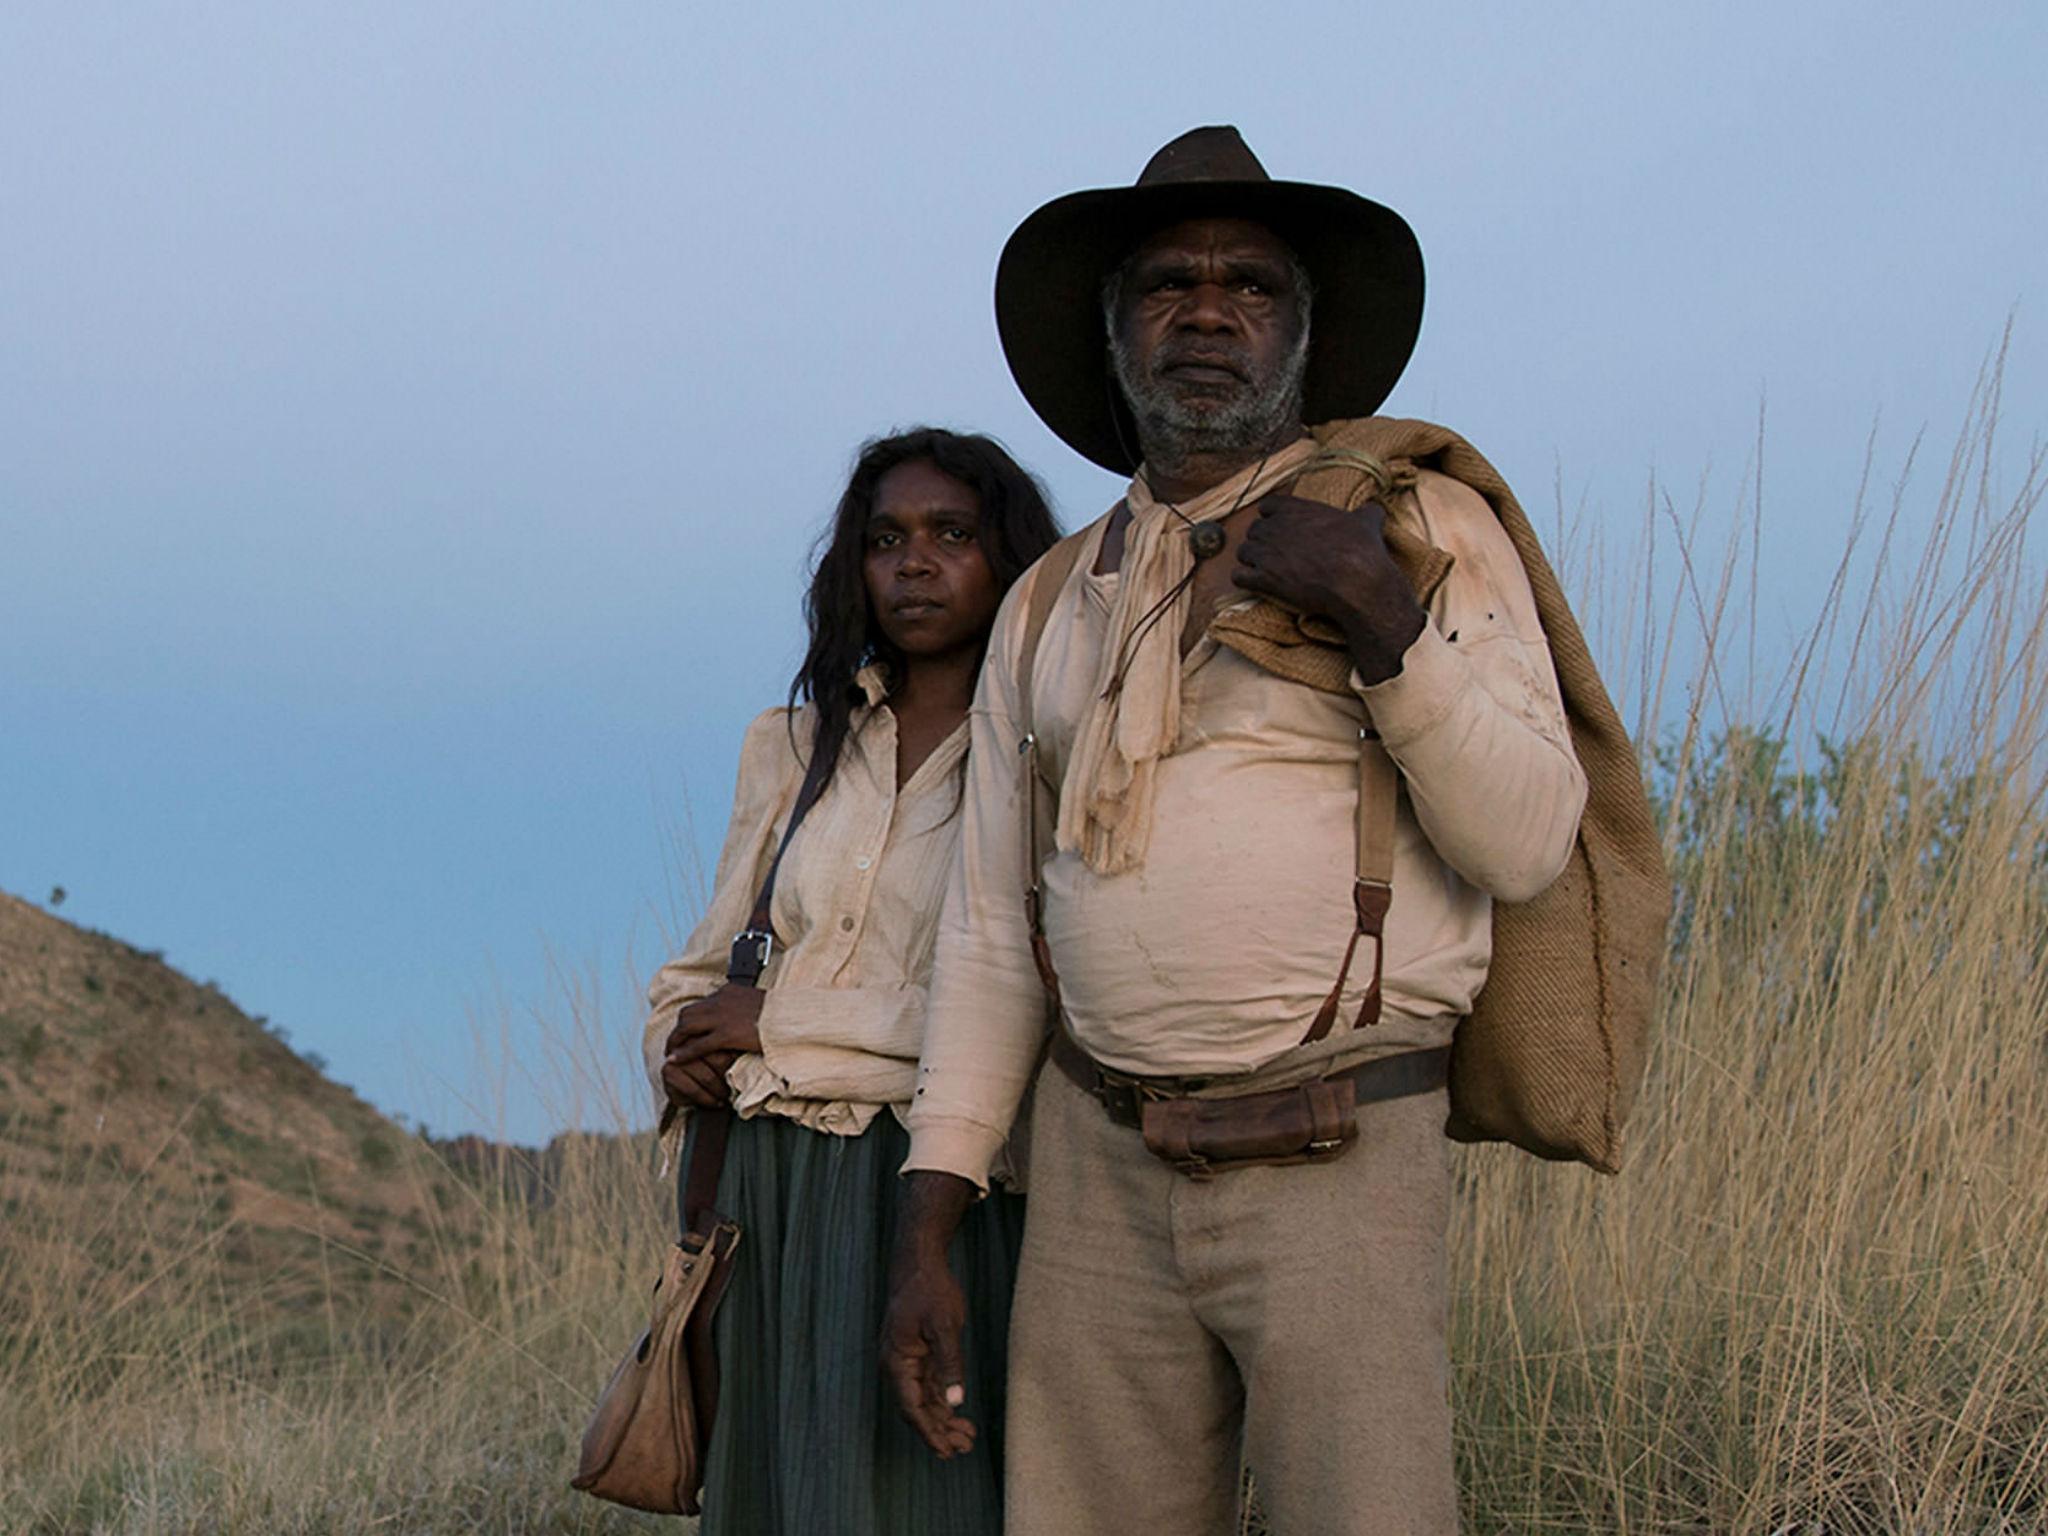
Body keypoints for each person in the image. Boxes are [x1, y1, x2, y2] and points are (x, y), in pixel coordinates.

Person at [881, 128, 1598, 1534]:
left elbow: (1527, 846)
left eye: (1251, 286)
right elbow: (987, 932)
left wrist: (1386, 619)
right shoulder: (1046, 598)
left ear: (1304, 331)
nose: (1207, 312)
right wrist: (932, 1219)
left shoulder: (1419, 525)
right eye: (1165, 285)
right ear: (1113, 335)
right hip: (1097, 1164)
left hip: (1341, 1146)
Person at [644, 427, 1059, 1535]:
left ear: (1009, 559)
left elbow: (1022, 1014)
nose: (913, 564)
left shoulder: (1050, 751)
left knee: (930, 1499)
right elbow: (692, 977)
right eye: (885, 540)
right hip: (767, 1189)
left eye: (951, 535)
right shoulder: (791, 744)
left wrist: (779, 1029)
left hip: (942, 1187)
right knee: (781, 1496)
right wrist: (680, 1051)